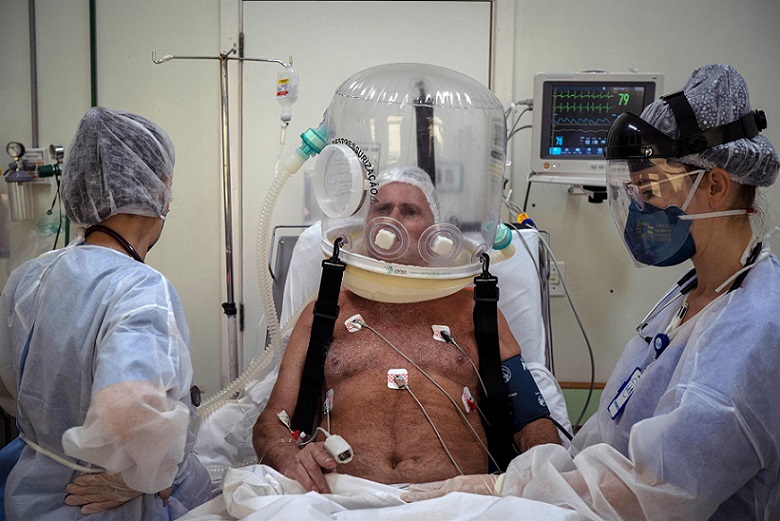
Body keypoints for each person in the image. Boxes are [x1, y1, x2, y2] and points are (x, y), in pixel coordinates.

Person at [402, 63, 780, 520]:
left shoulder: (757, 326)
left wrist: (507, 487)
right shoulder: (687, 300)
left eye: (651, 188)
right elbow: (607, 438)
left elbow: (659, 487)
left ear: (716, 186)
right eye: (634, 190)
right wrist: (525, 481)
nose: (639, 208)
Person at [252, 166, 562, 494]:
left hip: (459, 503)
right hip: (340, 502)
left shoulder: (475, 312)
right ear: (365, 226)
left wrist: (536, 482)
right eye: (382, 209)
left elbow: (531, 420)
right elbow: (271, 423)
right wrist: (291, 458)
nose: (393, 219)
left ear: (436, 233)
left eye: (410, 210)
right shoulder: (325, 314)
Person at [0, 107, 211, 519]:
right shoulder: (141, 288)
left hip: (28, 494)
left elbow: (9, 390)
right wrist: (146, 473)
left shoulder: (28, 277)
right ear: (160, 189)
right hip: (107, 507)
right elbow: (128, 413)